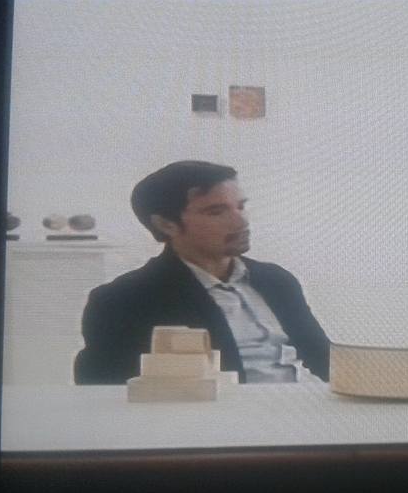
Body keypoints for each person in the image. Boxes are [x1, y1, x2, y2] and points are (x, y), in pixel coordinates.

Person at [74, 161, 330, 384]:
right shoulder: (122, 300)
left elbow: (323, 358)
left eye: (240, 206)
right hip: (211, 421)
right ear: (166, 224)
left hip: (296, 411)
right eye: (216, 212)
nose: (241, 222)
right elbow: (103, 391)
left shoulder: (277, 280)